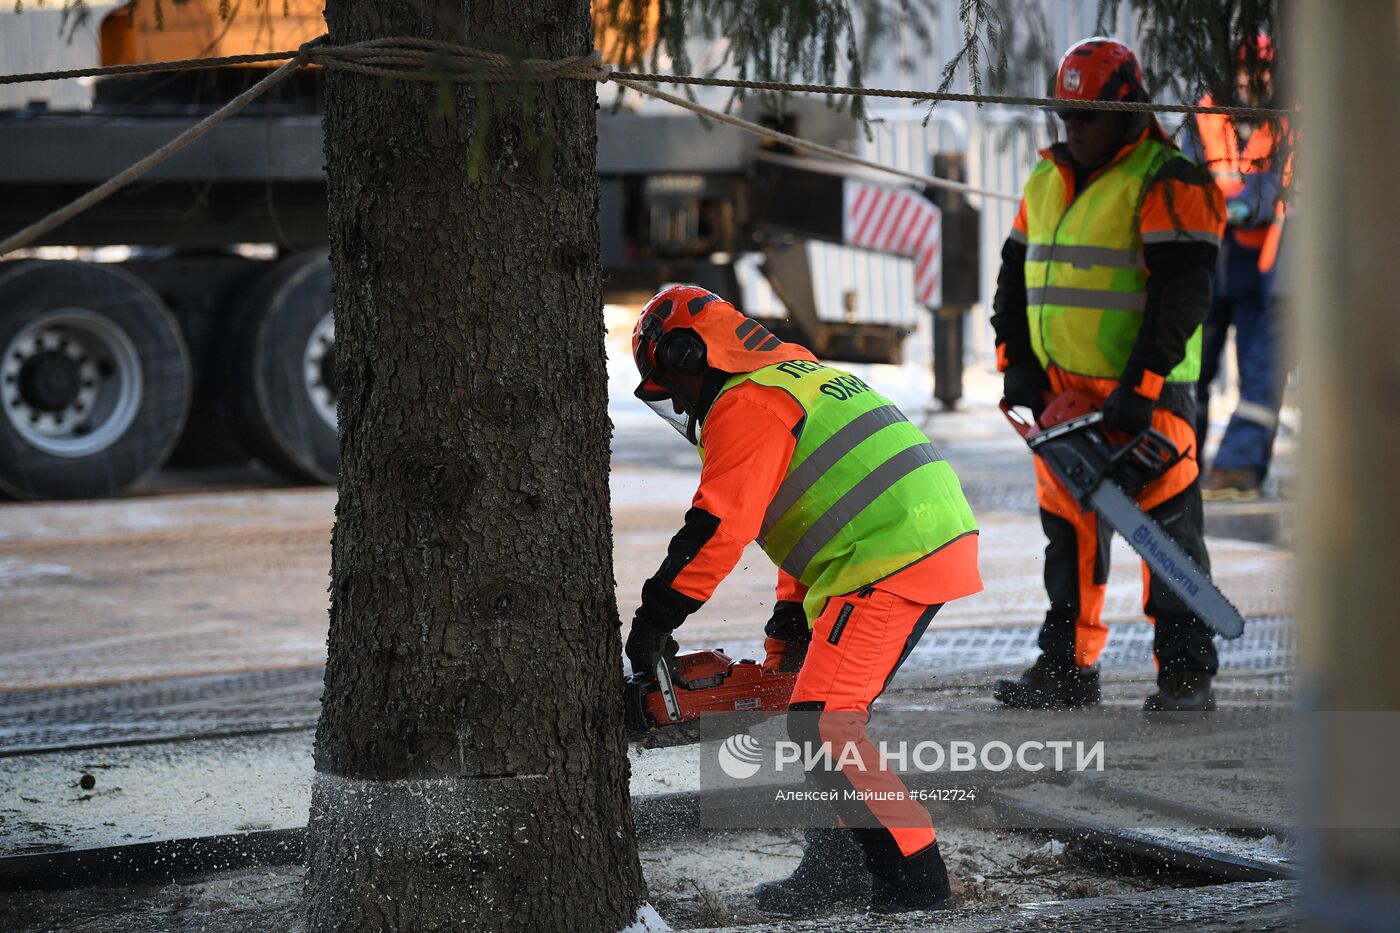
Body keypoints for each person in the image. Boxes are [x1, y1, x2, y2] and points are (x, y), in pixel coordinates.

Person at [624, 284, 982, 915]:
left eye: (670, 386)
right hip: (896, 542)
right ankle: (836, 872)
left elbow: (717, 528)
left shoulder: (746, 404)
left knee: (824, 723)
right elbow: (815, 512)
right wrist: (789, 630)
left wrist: (656, 620)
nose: (677, 403)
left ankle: (920, 891)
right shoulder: (798, 377)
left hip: (891, 555)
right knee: (811, 711)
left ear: (687, 355)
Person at [989, 37, 1227, 714]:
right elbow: (1014, 279)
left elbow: (1182, 294)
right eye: (1066, 117)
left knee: (1167, 528)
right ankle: (1066, 667)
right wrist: (1018, 367)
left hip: (1145, 396)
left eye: (1086, 117)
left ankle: (1185, 671)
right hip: (1063, 394)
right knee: (1067, 533)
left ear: (1126, 110)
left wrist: (1141, 388)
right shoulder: (1045, 179)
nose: (1075, 130)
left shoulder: (1168, 178)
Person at [1185, 36, 1290, 500]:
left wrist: (1248, 206)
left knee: (1259, 371)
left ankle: (1238, 467)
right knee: (1192, 367)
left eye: (1259, 71)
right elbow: (1188, 173)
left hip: (1261, 260)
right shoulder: (1206, 111)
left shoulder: (1289, 121)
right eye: (1244, 71)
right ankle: (1181, 460)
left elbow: (1285, 182)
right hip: (1212, 256)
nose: (1251, 80)